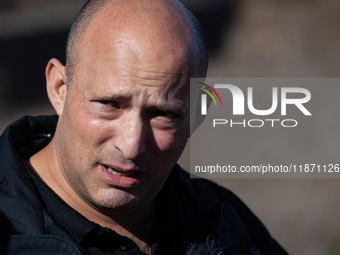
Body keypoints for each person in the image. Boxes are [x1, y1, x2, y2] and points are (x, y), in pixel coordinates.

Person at [0, 0, 288, 254]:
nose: (131, 145)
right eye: (109, 104)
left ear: (197, 115)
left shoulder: (228, 227)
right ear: (59, 89)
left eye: (162, 114)